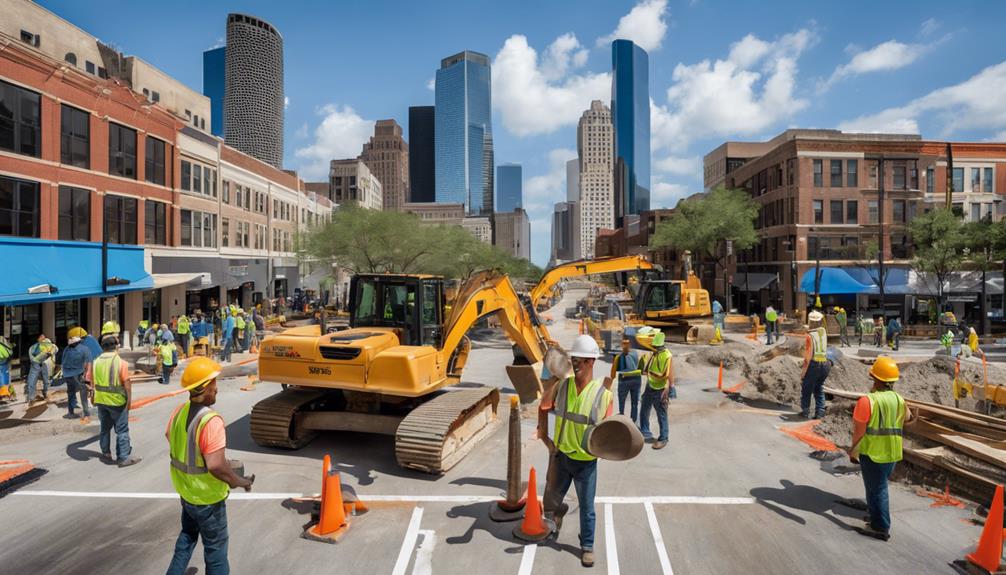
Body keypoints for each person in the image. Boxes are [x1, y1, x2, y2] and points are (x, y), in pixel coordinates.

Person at [165, 357, 255, 575]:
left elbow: (169, 435)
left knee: (186, 538)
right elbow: (215, 465)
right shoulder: (211, 421)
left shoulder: (179, 410)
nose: (217, 389)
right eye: (214, 383)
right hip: (208, 499)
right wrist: (238, 481)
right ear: (204, 388)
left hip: (187, 493)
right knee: (215, 553)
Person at [538, 335, 613, 568]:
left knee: (587, 509)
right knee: (550, 500)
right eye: (573, 360)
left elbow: (609, 432)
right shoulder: (563, 385)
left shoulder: (603, 395)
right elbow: (544, 406)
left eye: (580, 360)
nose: (576, 364)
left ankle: (587, 546)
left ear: (591, 362)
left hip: (585, 462)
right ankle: (555, 519)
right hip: (561, 457)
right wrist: (545, 438)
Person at [848, 356, 913, 541]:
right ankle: (876, 517)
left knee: (878, 489)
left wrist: (853, 451)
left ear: (874, 378)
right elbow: (908, 418)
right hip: (892, 453)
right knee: (874, 487)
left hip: (873, 453)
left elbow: (859, 432)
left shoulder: (867, 401)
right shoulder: (899, 399)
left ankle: (881, 527)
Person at [87, 322, 141, 467]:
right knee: (122, 430)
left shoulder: (96, 362)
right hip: (117, 401)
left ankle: (106, 453)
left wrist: (92, 399)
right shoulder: (121, 363)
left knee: (105, 428)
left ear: (103, 347)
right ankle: (123, 457)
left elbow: (92, 384)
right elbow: (127, 385)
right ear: (116, 346)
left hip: (101, 400)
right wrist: (129, 402)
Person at [639, 332, 673, 449]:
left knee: (661, 414)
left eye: (656, 347)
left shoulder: (667, 356)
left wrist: (670, 388)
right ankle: (644, 431)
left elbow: (664, 374)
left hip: (660, 389)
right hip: (650, 386)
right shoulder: (655, 354)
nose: (655, 349)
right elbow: (649, 368)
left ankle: (663, 438)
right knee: (644, 408)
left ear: (661, 346)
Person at [800, 310, 831, 419]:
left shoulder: (809, 336)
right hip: (826, 364)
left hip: (814, 365)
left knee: (806, 388)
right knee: (818, 388)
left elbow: (808, 357)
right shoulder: (823, 331)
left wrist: (803, 372)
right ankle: (820, 412)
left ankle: (805, 411)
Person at [61, 327, 92, 420]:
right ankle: (86, 413)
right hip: (77, 373)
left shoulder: (66, 349)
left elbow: (63, 361)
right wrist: (87, 377)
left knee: (70, 393)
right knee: (83, 392)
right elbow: (89, 364)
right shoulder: (84, 348)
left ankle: (71, 413)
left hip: (67, 374)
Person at [609, 337, 642, 424]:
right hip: (636, 378)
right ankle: (633, 421)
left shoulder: (620, 356)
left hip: (625, 379)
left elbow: (614, 370)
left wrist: (611, 379)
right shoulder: (635, 353)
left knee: (622, 401)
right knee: (634, 403)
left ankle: (622, 420)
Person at [27, 334, 57, 403]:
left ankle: (45, 392)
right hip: (36, 365)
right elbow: (32, 358)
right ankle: (31, 397)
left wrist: (50, 352)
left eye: (44, 337)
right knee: (31, 381)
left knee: (46, 381)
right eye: (41, 337)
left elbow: (55, 350)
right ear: (38, 339)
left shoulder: (49, 345)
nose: (42, 339)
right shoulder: (33, 347)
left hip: (45, 365)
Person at [0, 334, 14, 400]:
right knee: (5, 374)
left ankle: (3, 394)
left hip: (1, 359)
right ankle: (8, 393)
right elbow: (11, 345)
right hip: (6, 358)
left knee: (1, 375)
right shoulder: (2, 339)